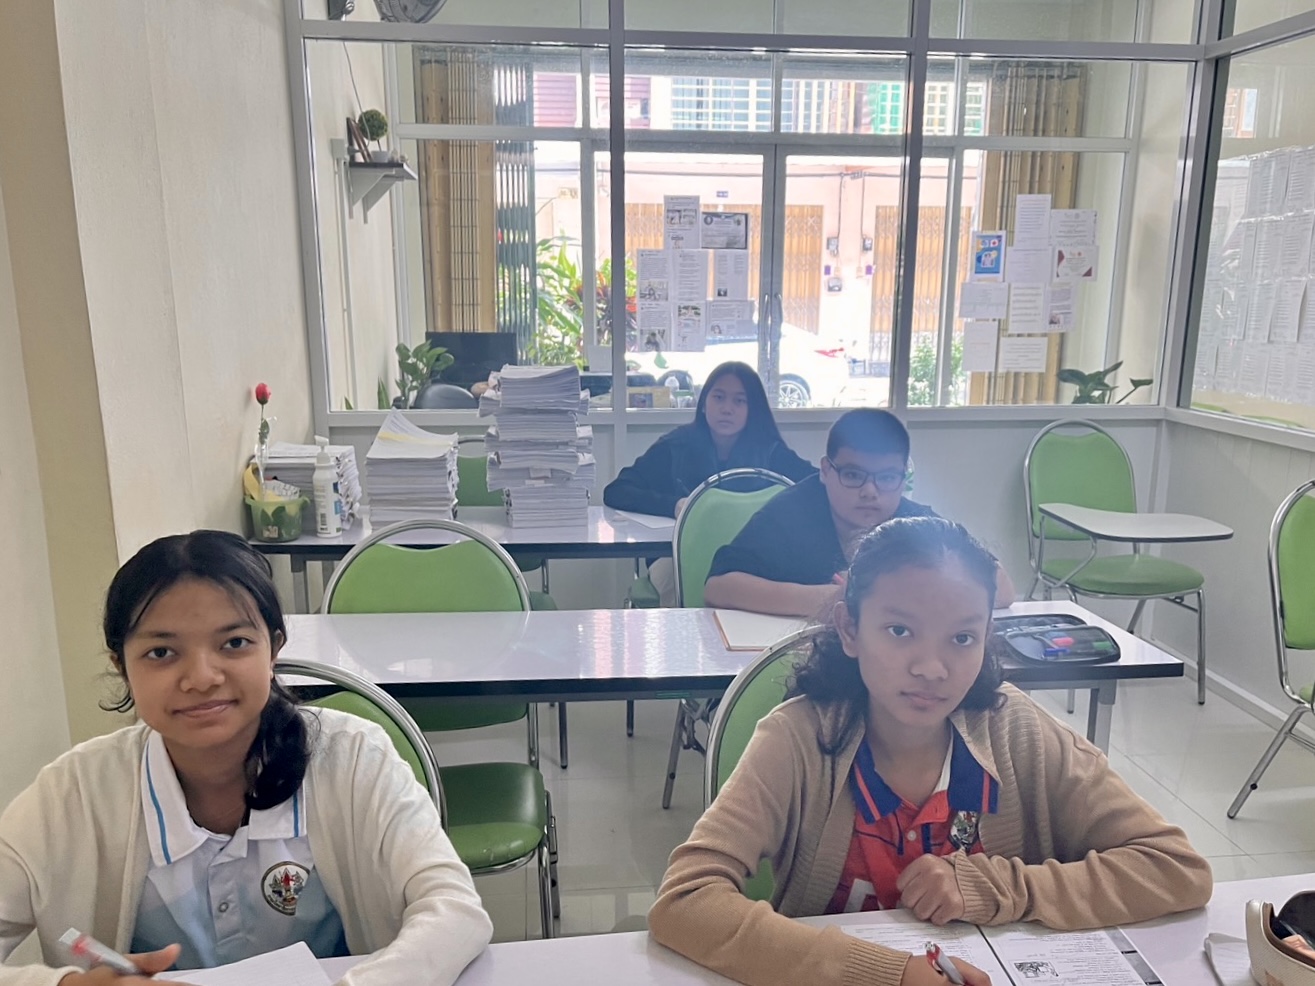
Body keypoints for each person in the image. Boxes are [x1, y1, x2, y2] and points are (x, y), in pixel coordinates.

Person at [649, 518, 1212, 986]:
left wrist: (992, 887)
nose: (932, 668)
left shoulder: (1016, 732)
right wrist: (887, 976)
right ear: (850, 629)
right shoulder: (797, 740)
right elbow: (685, 901)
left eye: (962, 638)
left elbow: (1176, 869)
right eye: (899, 631)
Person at [0, 531, 492, 985]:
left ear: (273, 648)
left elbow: (454, 909)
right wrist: (63, 984)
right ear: (122, 666)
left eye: (234, 643)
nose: (201, 677)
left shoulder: (352, 758)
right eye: (162, 653)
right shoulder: (74, 794)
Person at [703, 408, 1016, 618]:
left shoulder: (912, 522)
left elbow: (1001, 587)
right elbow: (719, 587)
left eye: (887, 477)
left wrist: (887, 594)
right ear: (826, 470)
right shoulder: (790, 513)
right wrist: (836, 599)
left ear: (903, 478)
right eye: (853, 475)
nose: (870, 491)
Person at [604, 362, 815, 605]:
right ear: (704, 403)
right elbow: (617, 491)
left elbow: (817, 484)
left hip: (750, 557)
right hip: (678, 557)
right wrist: (674, 505)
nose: (727, 409)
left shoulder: (770, 452)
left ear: (752, 409)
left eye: (739, 401)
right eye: (719, 397)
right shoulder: (676, 446)